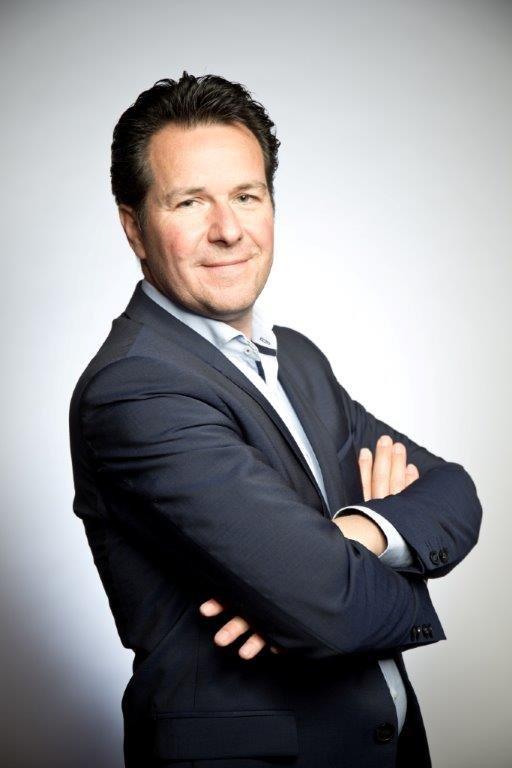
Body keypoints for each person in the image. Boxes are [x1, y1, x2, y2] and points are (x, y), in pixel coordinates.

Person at [68, 72, 482, 768]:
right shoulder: (135, 389)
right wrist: (335, 576)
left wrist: (348, 536)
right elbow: (330, 608)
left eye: (246, 196)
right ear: (134, 226)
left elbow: (455, 492)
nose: (228, 230)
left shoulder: (299, 360)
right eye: (190, 201)